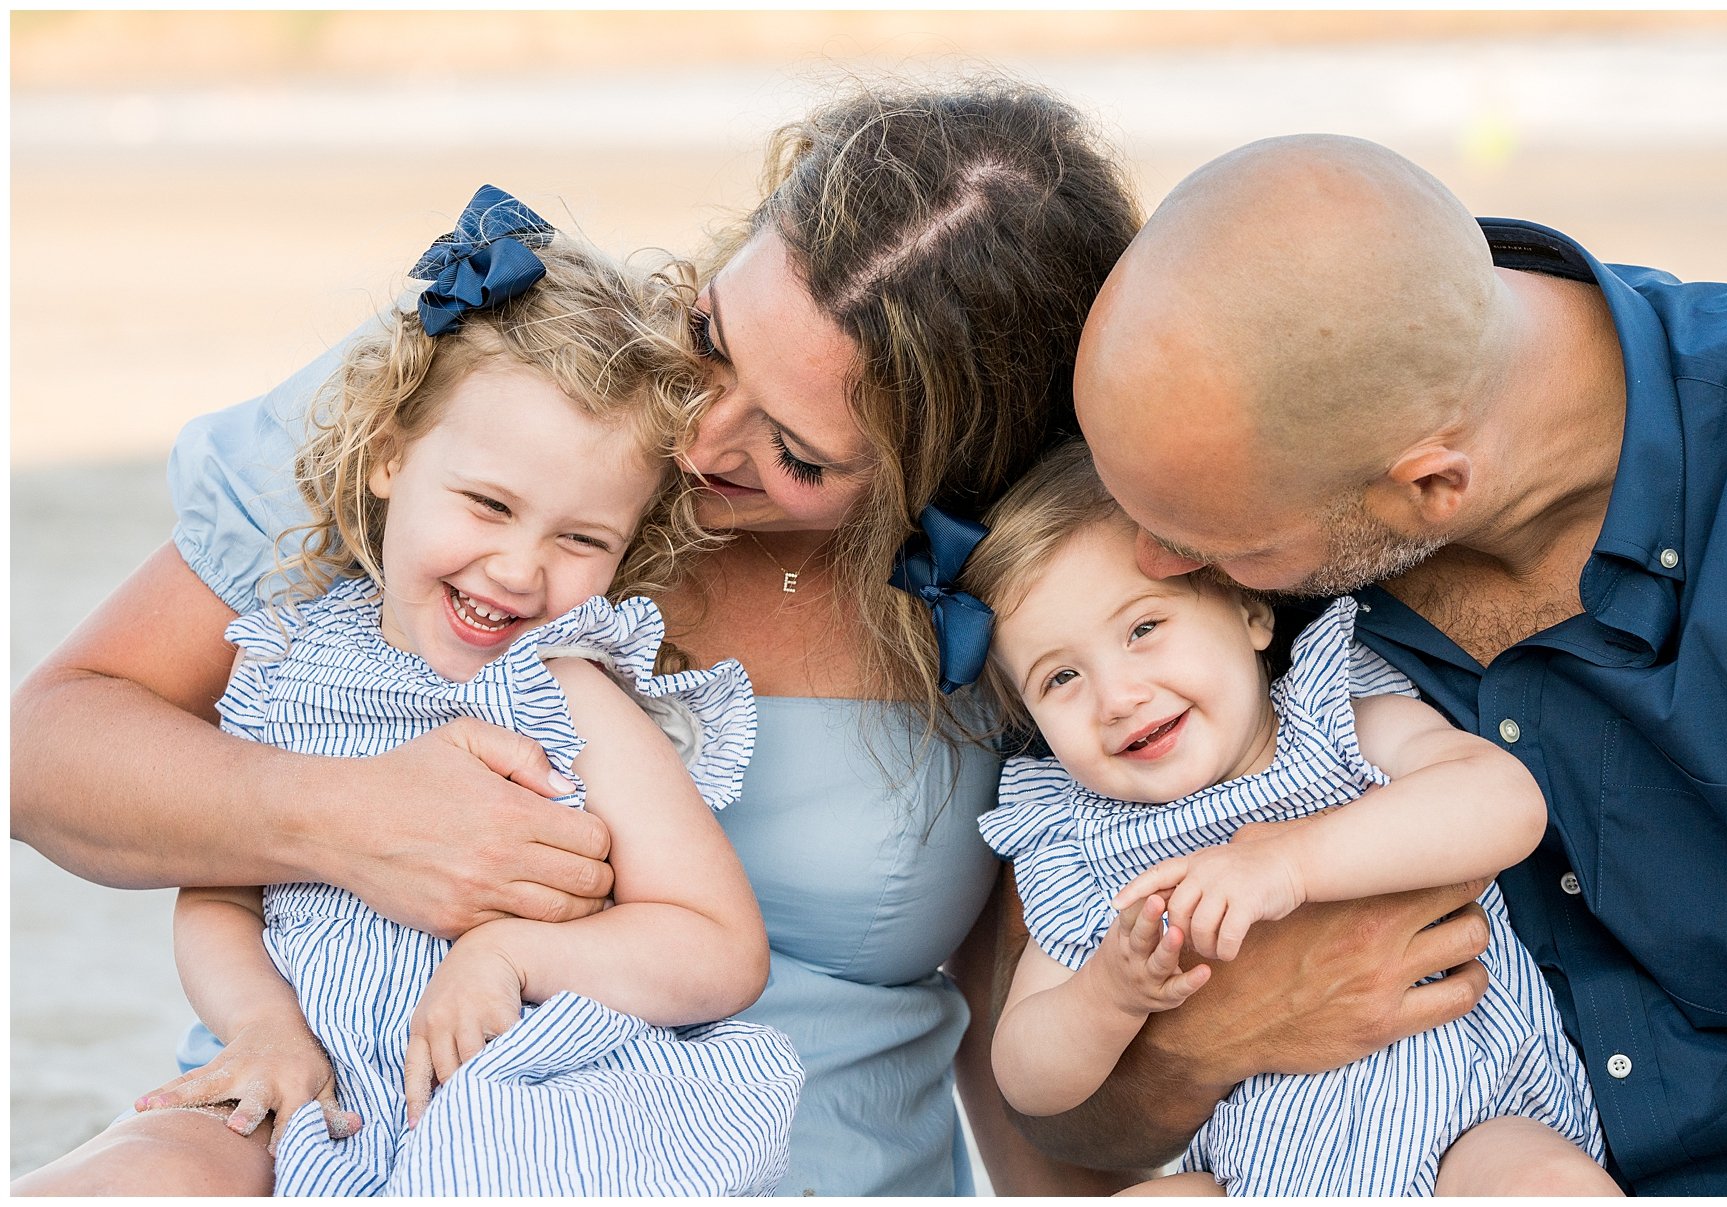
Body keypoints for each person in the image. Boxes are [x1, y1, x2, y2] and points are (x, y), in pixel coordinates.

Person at [12, 78, 1181, 1196]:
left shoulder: (1026, 598)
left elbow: (1027, 1035)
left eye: (800, 454)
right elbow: (50, 751)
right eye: (714, 333)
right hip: (324, 1113)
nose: (703, 438)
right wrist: (347, 821)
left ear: (944, 470)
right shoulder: (497, 397)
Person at [17, 188, 807, 1195]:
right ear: (388, 453)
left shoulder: (572, 695)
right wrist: (263, 1024)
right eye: (488, 504)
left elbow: (719, 946)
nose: (520, 569)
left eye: (580, 540)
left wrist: (512, 958)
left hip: (522, 1094)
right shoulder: (286, 660)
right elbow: (218, 888)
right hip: (317, 1082)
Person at [1068, 133, 1727, 1195]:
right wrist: (1216, 1038)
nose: (1155, 571)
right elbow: (1075, 1127)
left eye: (1222, 544)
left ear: (1432, 489)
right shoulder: (1240, 526)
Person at [957, 441, 1614, 1195]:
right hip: (1259, 1173)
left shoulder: (1336, 724)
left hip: (1477, 1122)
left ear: (1250, 611)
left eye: (1143, 629)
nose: (1117, 696)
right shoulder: (1088, 853)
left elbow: (1505, 803)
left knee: (1539, 1182)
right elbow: (1026, 1076)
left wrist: (1292, 861)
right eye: (1061, 677)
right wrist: (1109, 992)